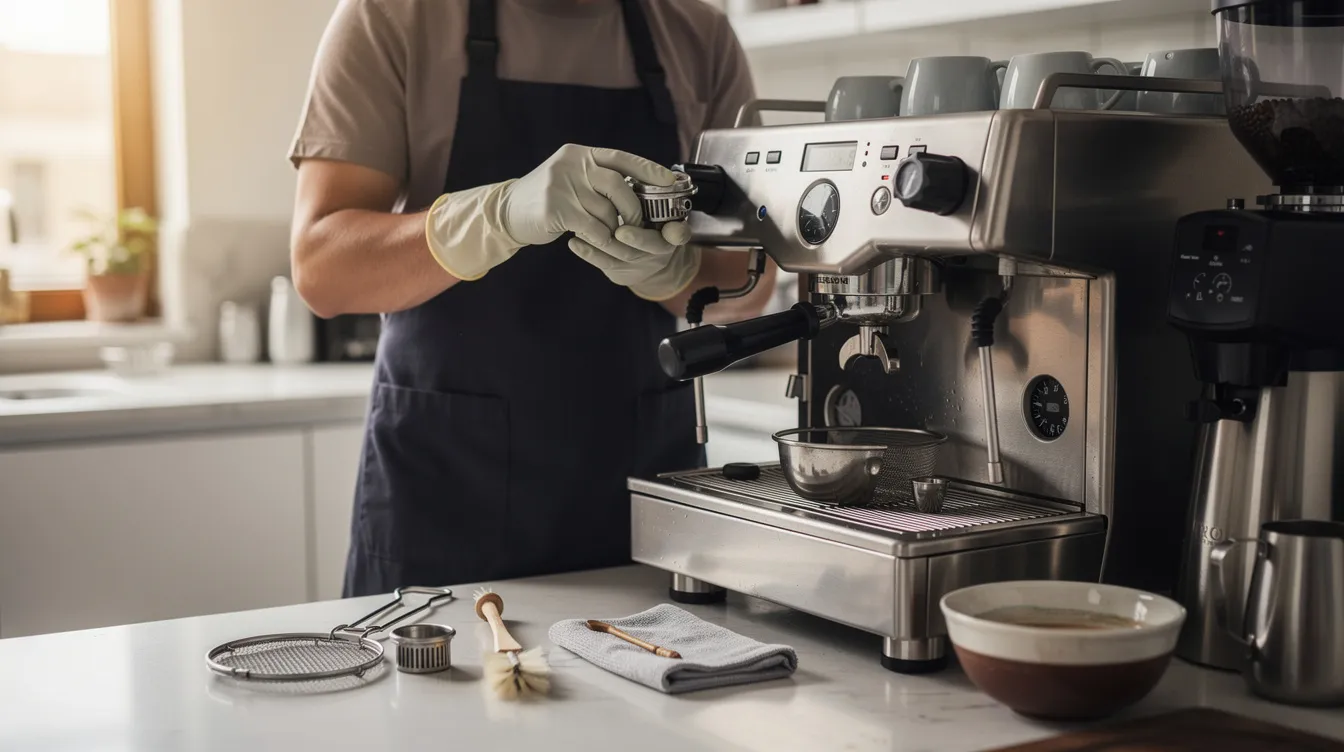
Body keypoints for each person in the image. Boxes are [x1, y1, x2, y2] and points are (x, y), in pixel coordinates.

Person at [288, 0, 777, 597]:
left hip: (637, 494)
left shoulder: (699, 38)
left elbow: (749, 284)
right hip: (445, 498)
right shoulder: (394, 18)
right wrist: (492, 216)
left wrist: (675, 270)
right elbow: (321, 266)